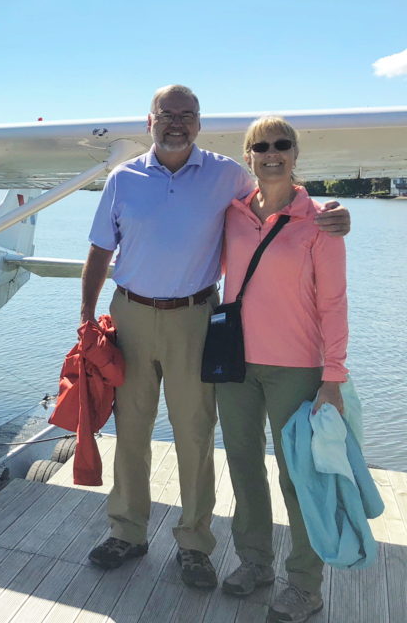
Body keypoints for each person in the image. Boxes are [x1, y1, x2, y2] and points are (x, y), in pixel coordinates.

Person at [79, 86, 349, 590]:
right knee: (131, 431)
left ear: (200, 122)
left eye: (187, 115)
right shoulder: (122, 179)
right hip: (131, 314)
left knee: (195, 434)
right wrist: (86, 317)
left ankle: (194, 543)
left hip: (196, 317)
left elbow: (281, 198)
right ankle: (127, 530)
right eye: (167, 114)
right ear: (150, 121)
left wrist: (333, 213)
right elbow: (99, 250)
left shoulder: (228, 175)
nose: (176, 122)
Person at [215, 116, 346, 623]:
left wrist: (333, 374)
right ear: (248, 156)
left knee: (298, 478)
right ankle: (255, 562)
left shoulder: (320, 220)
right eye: (261, 146)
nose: (272, 153)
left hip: (296, 367)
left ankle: (305, 585)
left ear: (295, 154)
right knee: (245, 468)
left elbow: (334, 303)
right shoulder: (231, 213)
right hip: (236, 363)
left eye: (282, 145)